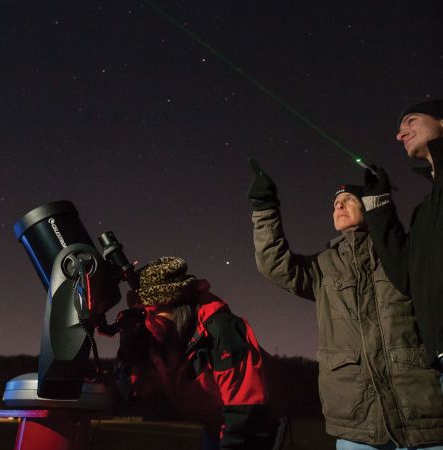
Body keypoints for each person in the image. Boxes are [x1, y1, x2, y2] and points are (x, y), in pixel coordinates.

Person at [248, 158, 443, 450]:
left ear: (368, 205)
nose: (338, 206)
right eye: (335, 203)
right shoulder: (324, 265)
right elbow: (274, 264)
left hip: (423, 415)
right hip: (357, 422)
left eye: (348, 199)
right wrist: (265, 210)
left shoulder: (402, 252)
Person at [116, 256, 280, 450]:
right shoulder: (162, 342)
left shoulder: (221, 330)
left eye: (154, 313)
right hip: (214, 424)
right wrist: (129, 350)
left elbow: (246, 407)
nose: (149, 323)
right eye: (145, 314)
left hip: (257, 425)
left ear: (178, 305)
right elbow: (134, 392)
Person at [361, 99, 443, 384]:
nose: (400, 134)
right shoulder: (426, 210)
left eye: (412, 121)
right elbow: (406, 276)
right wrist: (378, 205)